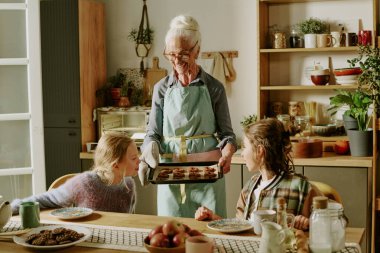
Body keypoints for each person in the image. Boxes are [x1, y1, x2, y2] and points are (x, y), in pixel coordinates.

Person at [138, 15, 237, 218]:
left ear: (197, 50)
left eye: (183, 54)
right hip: (170, 175)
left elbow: (228, 135)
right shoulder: (162, 89)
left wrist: (227, 153)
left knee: (210, 236)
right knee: (171, 236)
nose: (176, 60)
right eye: (171, 54)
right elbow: (153, 133)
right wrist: (149, 151)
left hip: (208, 175)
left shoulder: (214, 87)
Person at [195, 118, 323, 231]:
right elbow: (240, 227)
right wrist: (212, 217)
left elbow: (340, 223)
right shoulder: (249, 187)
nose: (242, 153)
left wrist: (310, 224)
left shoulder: (302, 188)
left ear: (260, 151)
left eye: (245, 147)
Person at [11, 132, 140, 214]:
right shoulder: (85, 183)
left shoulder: (129, 185)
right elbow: (49, 199)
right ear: (115, 165)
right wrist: (12, 209)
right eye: (134, 158)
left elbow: (128, 220)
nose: (139, 160)